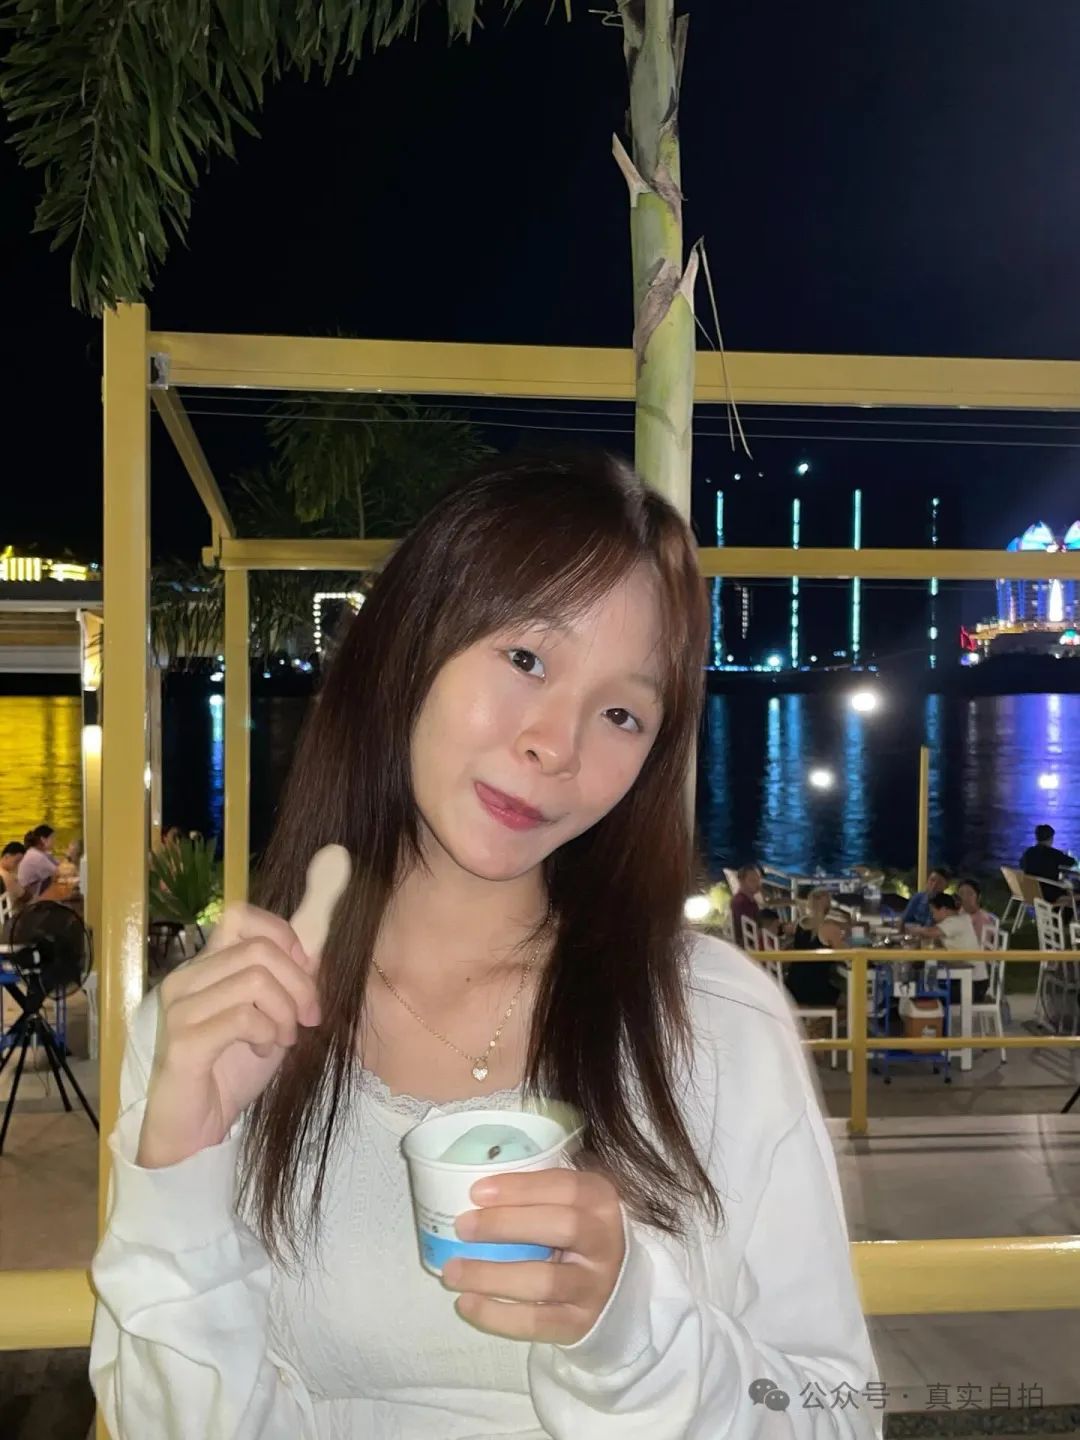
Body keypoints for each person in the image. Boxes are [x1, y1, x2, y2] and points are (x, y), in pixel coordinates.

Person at [90, 455, 877, 1440]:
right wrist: (181, 1169)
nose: (556, 744)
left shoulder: (717, 1022)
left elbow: (837, 1416)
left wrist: (633, 1336)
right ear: (411, 645)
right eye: (527, 660)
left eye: (622, 713)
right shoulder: (222, 1027)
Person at [912, 892, 989, 1003]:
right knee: (925, 984)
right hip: (968, 980)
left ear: (944, 909)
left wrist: (914, 929)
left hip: (973, 986)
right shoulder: (960, 919)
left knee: (925, 994)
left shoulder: (955, 922)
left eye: (933, 912)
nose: (932, 916)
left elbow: (930, 932)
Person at [787, 888, 846, 1008]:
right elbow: (845, 957)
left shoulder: (799, 923)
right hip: (814, 988)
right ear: (828, 906)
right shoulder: (829, 928)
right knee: (853, 1000)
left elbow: (788, 931)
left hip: (793, 985)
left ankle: (818, 1019)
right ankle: (822, 1021)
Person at [1020, 824, 1077, 902]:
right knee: (1074, 889)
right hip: (1050, 895)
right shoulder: (1053, 853)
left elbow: (1022, 865)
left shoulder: (1028, 852)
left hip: (1032, 893)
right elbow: (1072, 862)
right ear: (1051, 838)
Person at [17, 824, 59, 900]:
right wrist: (70, 857)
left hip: (36, 894)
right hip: (32, 900)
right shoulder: (36, 856)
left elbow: (59, 866)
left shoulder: (40, 853)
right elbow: (59, 872)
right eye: (52, 838)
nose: (54, 841)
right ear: (43, 839)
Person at [729, 862, 763, 947]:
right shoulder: (740, 902)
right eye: (753, 880)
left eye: (758, 880)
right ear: (741, 881)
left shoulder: (752, 902)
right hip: (747, 947)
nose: (757, 884)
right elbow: (748, 929)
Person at [956, 878, 995, 948]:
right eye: (961, 893)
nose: (965, 897)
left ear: (978, 897)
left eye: (970, 893)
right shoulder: (959, 912)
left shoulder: (984, 919)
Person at [0, 841, 27, 906]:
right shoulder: (6, 876)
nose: (18, 865)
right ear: (6, 857)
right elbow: (25, 897)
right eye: (17, 861)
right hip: (11, 911)